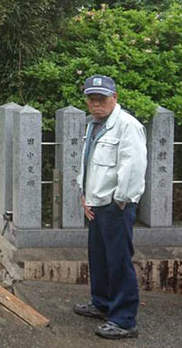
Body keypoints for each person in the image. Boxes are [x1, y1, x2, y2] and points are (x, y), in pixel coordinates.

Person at [73, 75, 146, 340]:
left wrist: (120, 201)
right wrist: (84, 195)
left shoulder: (128, 126)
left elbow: (133, 168)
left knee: (118, 261)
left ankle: (125, 320)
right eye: (91, 99)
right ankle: (102, 303)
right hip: (96, 204)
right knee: (99, 259)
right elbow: (89, 162)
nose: (96, 104)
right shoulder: (93, 125)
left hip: (116, 206)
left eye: (101, 99)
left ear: (114, 97)